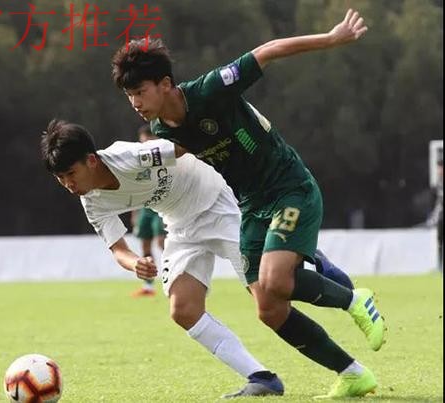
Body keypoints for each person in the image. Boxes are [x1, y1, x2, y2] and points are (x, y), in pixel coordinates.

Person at [111, 9, 383, 398]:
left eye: (140, 92)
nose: (135, 102)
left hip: (289, 187)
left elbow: (267, 50)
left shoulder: (209, 89)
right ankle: (354, 374)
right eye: (129, 96)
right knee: (268, 308)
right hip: (252, 206)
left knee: (276, 281)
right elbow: (177, 152)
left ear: (165, 84)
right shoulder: (159, 129)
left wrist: (331, 38)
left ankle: (356, 300)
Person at [40, 119, 285, 397]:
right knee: (183, 310)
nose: (68, 184)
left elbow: (184, 146)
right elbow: (118, 249)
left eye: (71, 174)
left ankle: (317, 268)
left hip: (216, 203)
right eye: (60, 178)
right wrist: (136, 263)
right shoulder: (92, 202)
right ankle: (261, 378)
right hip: (180, 226)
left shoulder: (130, 156)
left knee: (272, 293)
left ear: (91, 161)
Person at [130, 125, 167, 297]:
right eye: (142, 142)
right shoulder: (138, 162)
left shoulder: (164, 158)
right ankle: (148, 286)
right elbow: (135, 188)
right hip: (145, 208)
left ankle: (176, 276)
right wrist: (135, 213)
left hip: (162, 207)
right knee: (145, 245)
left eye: (148, 141)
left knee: (162, 243)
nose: (145, 145)